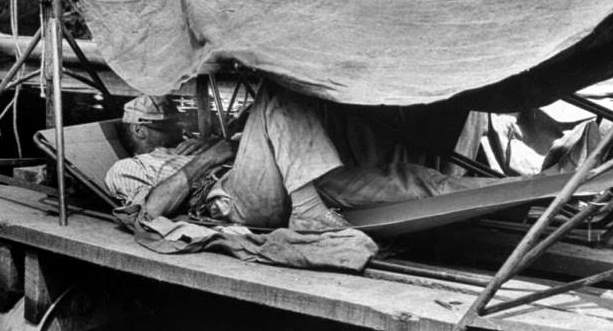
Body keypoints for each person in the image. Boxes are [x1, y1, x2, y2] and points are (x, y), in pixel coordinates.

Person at [105, 86, 496, 232]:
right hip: (233, 198)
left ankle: (520, 195)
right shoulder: (127, 169)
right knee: (278, 91)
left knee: (410, 178)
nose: (180, 124)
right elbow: (151, 210)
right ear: (139, 130)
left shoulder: (187, 144)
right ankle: (308, 209)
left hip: (297, 177)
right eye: (167, 123)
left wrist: (225, 143)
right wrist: (208, 157)